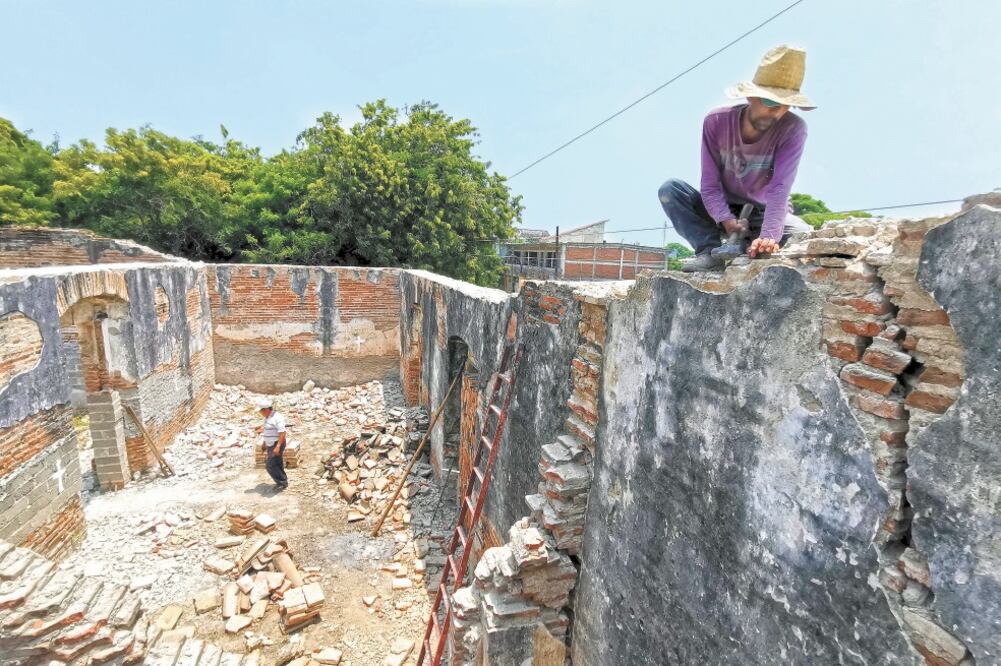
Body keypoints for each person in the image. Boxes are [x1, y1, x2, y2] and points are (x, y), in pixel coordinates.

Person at [659, 44, 817, 272]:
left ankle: (750, 243)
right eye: (771, 103)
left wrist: (770, 236)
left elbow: (780, 187)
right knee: (671, 191)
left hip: (762, 211)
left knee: (801, 234)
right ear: (751, 97)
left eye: (786, 105)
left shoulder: (793, 128)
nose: (778, 113)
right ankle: (709, 253)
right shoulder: (716, 122)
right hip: (719, 208)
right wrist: (726, 219)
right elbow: (710, 184)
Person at [256, 398, 288, 491]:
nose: (260, 413)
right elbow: (267, 431)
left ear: (266, 409)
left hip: (276, 444)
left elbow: (282, 433)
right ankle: (283, 481)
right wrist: (264, 443)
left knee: (270, 465)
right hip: (271, 444)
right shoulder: (267, 417)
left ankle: (281, 482)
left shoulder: (277, 418)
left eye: (260, 411)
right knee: (277, 463)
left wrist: (277, 447)